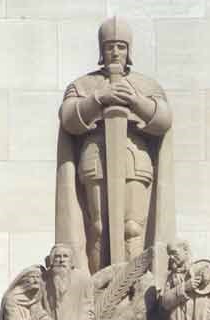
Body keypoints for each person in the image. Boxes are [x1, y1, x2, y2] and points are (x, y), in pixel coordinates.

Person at [56, 16, 173, 274]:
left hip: (134, 158)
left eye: (121, 46)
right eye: (109, 46)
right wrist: (99, 97)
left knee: (132, 228)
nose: (115, 51)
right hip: (95, 158)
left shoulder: (146, 85)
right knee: (98, 228)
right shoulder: (83, 85)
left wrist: (135, 100)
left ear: (129, 50)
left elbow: (163, 119)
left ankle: (129, 295)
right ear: (101, 49)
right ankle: (100, 293)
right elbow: (68, 118)